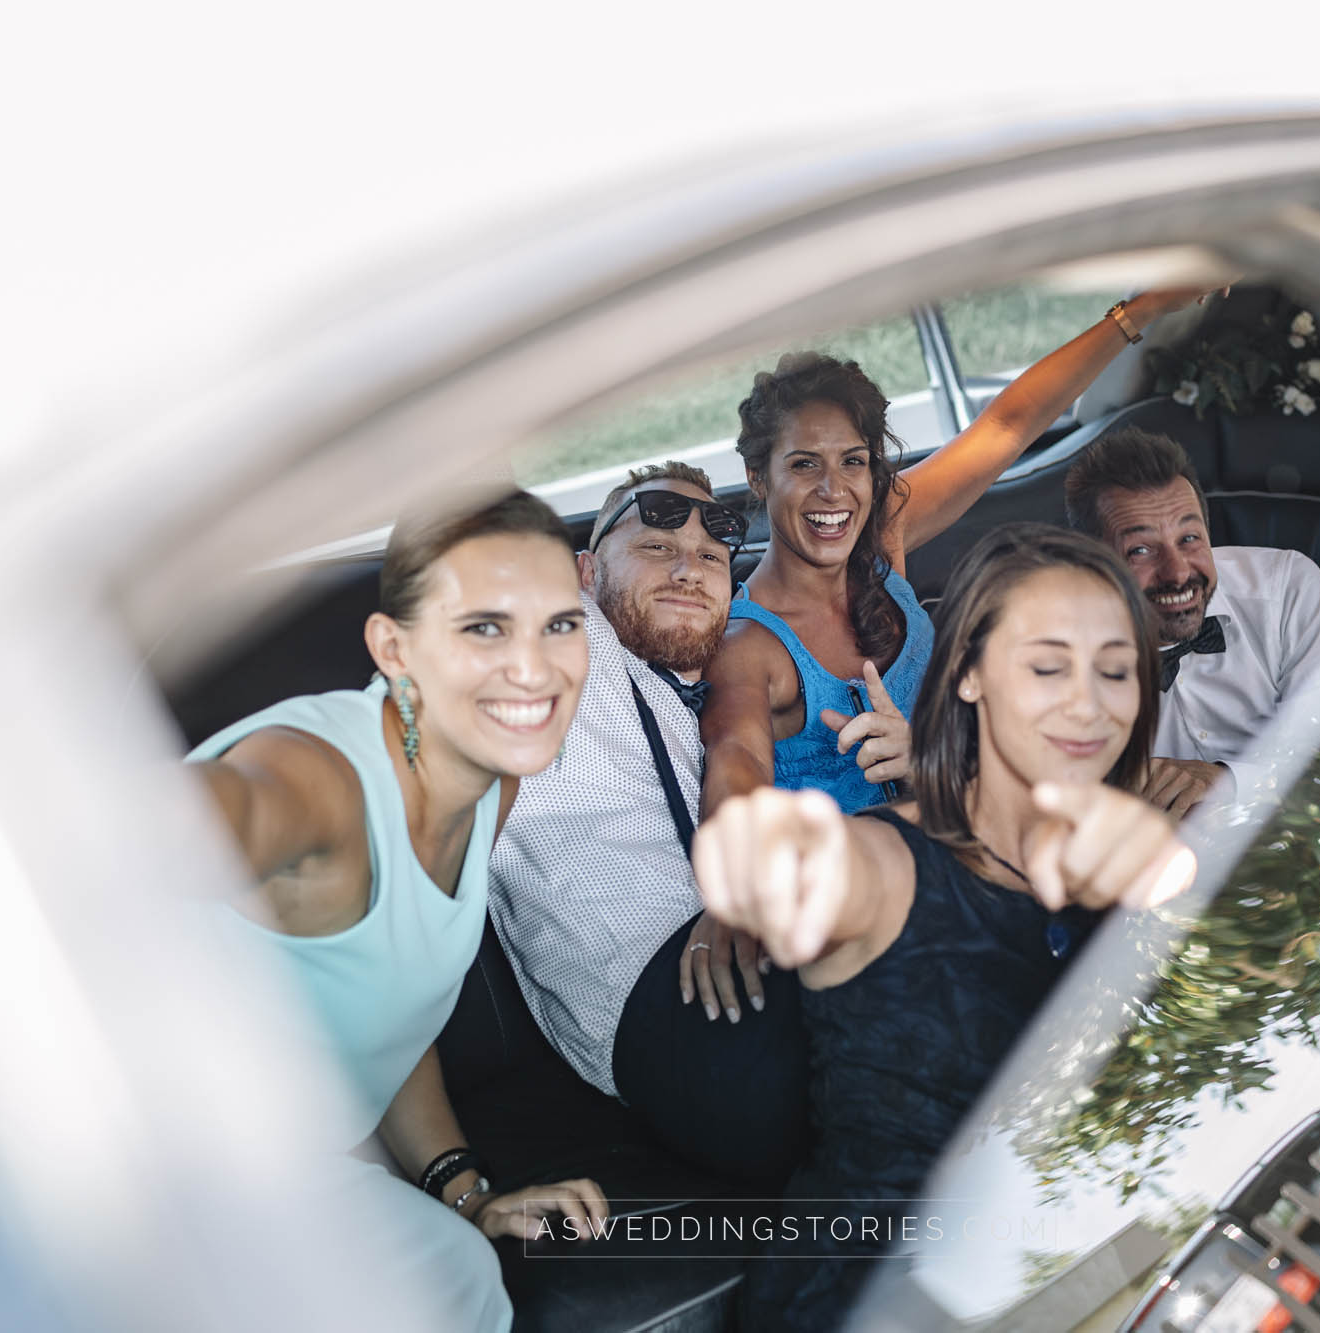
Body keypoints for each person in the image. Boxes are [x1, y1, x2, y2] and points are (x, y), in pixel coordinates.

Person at [691, 524, 1196, 1332]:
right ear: (967, 674)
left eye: (1115, 671)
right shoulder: (884, 868)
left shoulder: (1133, 868)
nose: (1089, 704)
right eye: (1047, 666)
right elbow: (787, 863)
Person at [187, 492, 609, 1331]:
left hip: (305, 1175)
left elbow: (393, 996)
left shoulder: (494, 778)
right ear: (394, 648)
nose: (535, 668)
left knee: (464, 1279)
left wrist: (466, 1192)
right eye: (485, 627)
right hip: (153, 1190)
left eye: (560, 624)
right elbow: (203, 812)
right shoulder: (320, 783)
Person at [702, 289, 1222, 820]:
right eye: (804, 465)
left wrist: (1139, 312)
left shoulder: (878, 536)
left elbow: (1007, 425)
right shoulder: (749, 647)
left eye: (853, 462)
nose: (834, 491)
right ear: (757, 478)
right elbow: (736, 766)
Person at [488, 463, 810, 1187]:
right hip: (661, 1001)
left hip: (764, 965)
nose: (688, 570)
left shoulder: (719, 699)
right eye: (657, 548)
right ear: (583, 570)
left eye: (709, 557)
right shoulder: (555, 643)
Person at [1064, 423, 1320, 817]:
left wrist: (1228, 782)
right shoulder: (1058, 656)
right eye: (1142, 550)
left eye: (1189, 539)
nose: (1178, 572)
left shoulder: (1287, 588)